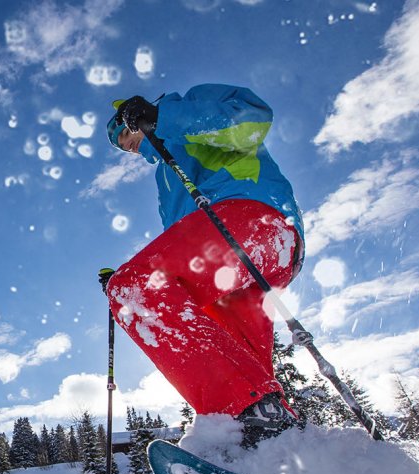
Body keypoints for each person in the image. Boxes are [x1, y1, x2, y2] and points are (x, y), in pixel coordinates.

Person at [102, 84, 305, 448]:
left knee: (133, 288)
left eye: (122, 131)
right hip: (235, 270)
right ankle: (292, 466)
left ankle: (251, 417)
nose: (123, 144)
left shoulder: (184, 108)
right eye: (117, 144)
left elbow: (251, 122)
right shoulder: (164, 173)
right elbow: (183, 242)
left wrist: (163, 118)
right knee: (246, 374)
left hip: (254, 220)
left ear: (133, 114)